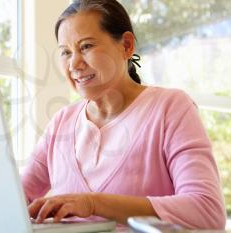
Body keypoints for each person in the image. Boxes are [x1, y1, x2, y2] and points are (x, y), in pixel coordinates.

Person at [21, 0, 226, 229]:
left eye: (86, 46)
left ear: (126, 45)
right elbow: (15, 200)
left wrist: (92, 203)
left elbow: (206, 211)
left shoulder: (170, 108)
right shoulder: (61, 123)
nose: (74, 63)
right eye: (66, 52)